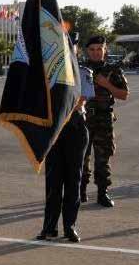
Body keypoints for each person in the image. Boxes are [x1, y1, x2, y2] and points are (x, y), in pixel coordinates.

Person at [38, 34, 92, 243]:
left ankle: (70, 226)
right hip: (55, 131)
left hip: (75, 130)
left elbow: (79, 101)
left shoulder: (84, 73)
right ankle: (49, 227)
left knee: (73, 180)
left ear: (75, 49)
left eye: (71, 46)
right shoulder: (48, 74)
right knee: (53, 181)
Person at [81, 35, 130, 207]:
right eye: (92, 49)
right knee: (81, 157)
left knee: (103, 158)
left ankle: (103, 193)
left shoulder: (112, 70)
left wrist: (106, 84)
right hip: (83, 118)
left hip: (103, 119)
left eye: (99, 49)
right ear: (87, 51)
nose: (95, 53)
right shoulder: (80, 69)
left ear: (104, 50)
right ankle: (81, 191)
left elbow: (124, 95)